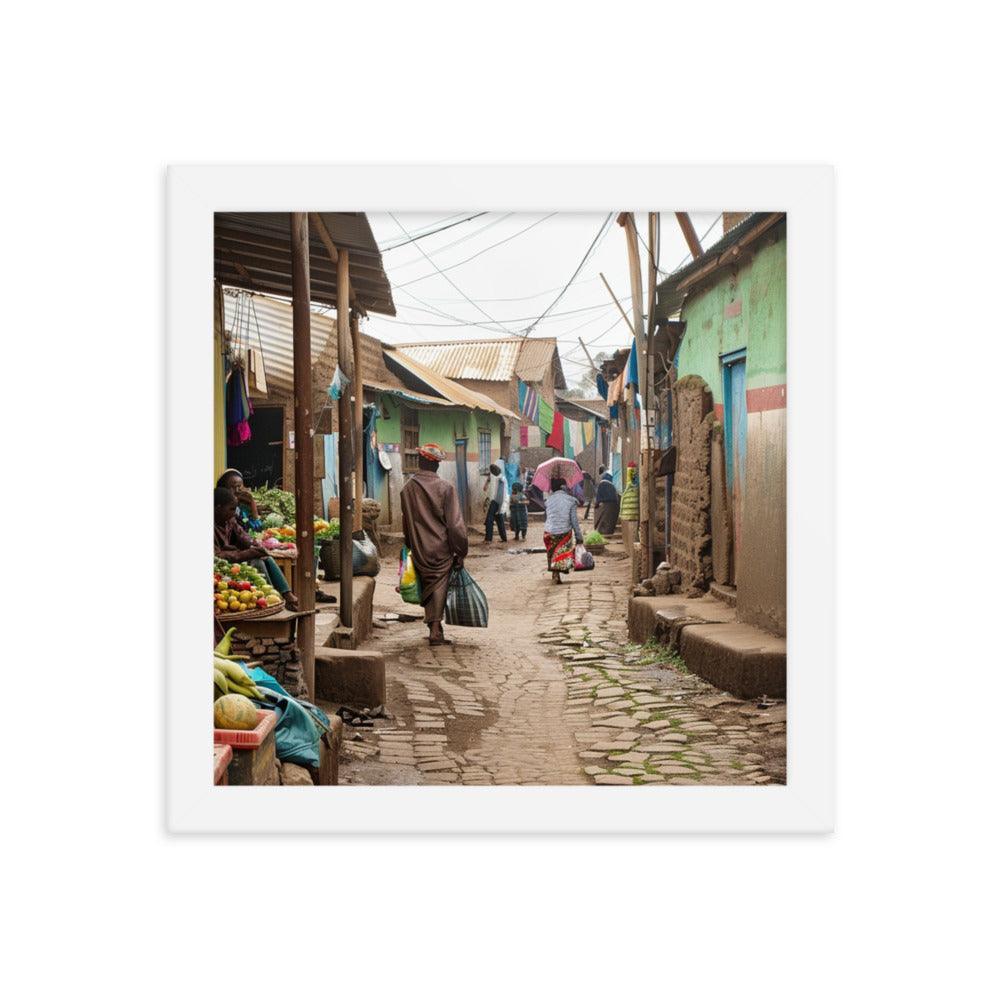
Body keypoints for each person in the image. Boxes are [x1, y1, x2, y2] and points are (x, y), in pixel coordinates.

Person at [400, 443, 469, 646]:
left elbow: (406, 522)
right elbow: (455, 526)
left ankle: (433, 625)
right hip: (441, 548)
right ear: (437, 466)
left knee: (428, 585)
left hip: (418, 547)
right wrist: (461, 551)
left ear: (419, 462)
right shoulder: (445, 488)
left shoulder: (407, 489)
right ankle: (436, 629)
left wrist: (409, 544)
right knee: (439, 585)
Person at [214, 487, 299, 610]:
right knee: (256, 561)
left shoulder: (229, 521)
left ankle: (286, 594)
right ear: (218, 508)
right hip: (221, 567)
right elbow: (217, 556)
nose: (234, 513)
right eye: (231, 509)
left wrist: (254, 546)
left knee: (265, 557)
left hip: (234, 558)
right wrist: (247, 553)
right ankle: (272, 599)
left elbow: (243, 536)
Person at [543, 476, 583, 584]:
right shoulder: (571, 500)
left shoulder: (548, 500)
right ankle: (557, 571)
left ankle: (554, 571)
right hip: (563, 533)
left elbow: (546, 517)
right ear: (563, 486)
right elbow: (574, 521)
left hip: (548, 533)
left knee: (552, 552)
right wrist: (579, 536)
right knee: (561, 550)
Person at [216, 469, 262, 533]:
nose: (237, 490)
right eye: (232, 487)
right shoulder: (222, 510)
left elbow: (258, 528)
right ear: (223, 488)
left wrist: (252, 502)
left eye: (239, 486)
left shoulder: (243, 508)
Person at [482, 462, 509, 543]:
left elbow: (500, 493)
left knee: (489, 520)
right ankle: (504, 538)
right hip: (499, 502)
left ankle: (488, 539)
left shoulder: (500, 479)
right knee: (499, 520)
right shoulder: (500, 477)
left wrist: (499, 506)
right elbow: (485, 488)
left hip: (496, 502)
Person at [593, 472, 620, 537]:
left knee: (604, 520)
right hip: (616, 505)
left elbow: (598, 498)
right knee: (611, 521)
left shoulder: (602, 484)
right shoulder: (612, 485)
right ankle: (608, 533)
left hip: (607, 505)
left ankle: (604, 534)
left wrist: (596, 505)